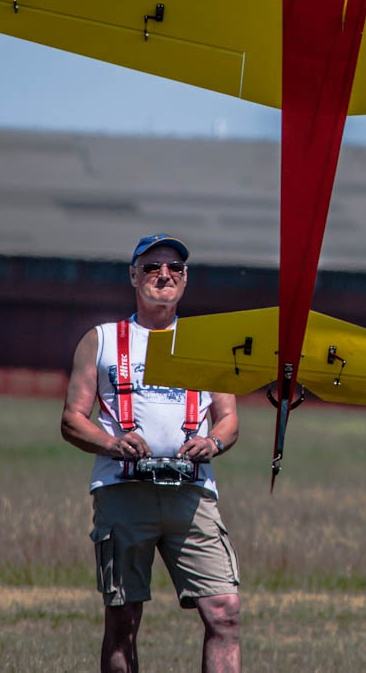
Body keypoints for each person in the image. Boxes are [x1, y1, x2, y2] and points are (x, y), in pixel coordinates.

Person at [61, 234, 241, 673]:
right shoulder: (101, 339)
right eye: (152, 267)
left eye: (175, 268)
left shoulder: (208, 341)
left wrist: (212, 442)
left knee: (225, 610)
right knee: (123, 618)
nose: (165, 275)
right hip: (123, 491)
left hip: (191, 493)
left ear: (186, 280)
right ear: (133, 276)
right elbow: (71, 419)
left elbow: (229, 418)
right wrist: (111, 443)